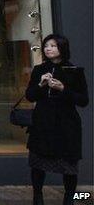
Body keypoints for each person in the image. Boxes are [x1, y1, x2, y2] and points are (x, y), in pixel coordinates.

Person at [26, 34, 88, 205]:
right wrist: (40, 85)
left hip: (66, 126)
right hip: (42, 125)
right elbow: (29, 96)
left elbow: (83, 100)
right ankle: (37, 198)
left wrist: (63, 88)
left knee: (69, 167)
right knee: (38, 164)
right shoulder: (39, 69)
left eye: (53, 45)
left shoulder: (74, 70)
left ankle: (70, 199)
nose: (48, 48)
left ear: (62, 48)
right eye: (46, 45)